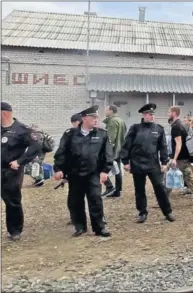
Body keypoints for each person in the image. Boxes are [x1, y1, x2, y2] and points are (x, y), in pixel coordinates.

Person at [53, 105, 112, 237]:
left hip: (93, 173)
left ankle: (99, 228)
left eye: (97, 117)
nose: (96, 120)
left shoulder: (102, 134)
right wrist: (58, 169)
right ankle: (80, 226)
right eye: (93, 117)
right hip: (75, 174)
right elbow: (61, 153)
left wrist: (105, 171)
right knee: (75, 201)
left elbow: (107, 154)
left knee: (95, 200)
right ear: (84, 118)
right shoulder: (70, 134)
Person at [120, 103, 174, 223]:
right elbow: (126, 145)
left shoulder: (159, 129)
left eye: (153, 114)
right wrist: (125, 161)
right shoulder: (135, 128)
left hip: (153, 163)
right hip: (137, 163)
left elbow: (163, 147)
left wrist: (164, 162)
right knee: (139, 189)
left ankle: (167, 211)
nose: (152, 116)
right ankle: (142, 212)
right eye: (149, 114)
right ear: (144, 115)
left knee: (160, 187)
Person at [1, 102, 42, 241]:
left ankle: (15, 230)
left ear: (3, 113)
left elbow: (36, 146)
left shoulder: (22, 129)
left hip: (11, 171)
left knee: (12, 201)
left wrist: (20, 161)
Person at [167, 106, 193, 202]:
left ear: (174, 113)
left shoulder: (175, 126)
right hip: (185, 155)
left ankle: (163, 198)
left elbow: (178, 144)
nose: (168, 114)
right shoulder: (183, 124)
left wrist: (174, 159)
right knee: (188, 176)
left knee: (167, 175)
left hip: (180, 157)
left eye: (169, 112)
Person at [102, 105, 127, 198]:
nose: (105, 111)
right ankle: (117, 190)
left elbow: (110, 138)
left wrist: (107, 151)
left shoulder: (112, 121)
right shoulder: (121, 120)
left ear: (111, 111)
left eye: (106, 110)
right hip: (119, 149)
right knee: (118, 170)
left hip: (113, 150)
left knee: (101, 166)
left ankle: (111, 188)